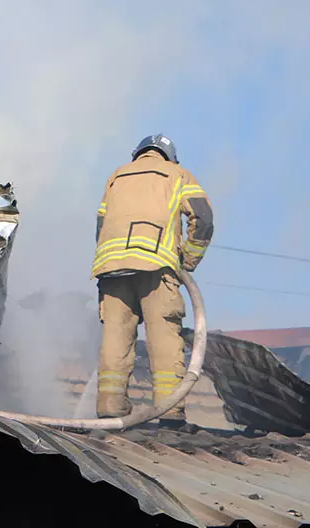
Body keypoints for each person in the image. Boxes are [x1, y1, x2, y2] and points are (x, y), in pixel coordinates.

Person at [93, 134, 214, 430]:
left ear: (138, 153)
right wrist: (187, 261)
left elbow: (101, 224)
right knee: (164, 336)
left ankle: (110, 408)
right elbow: (204, 218)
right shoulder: (178, 174)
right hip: (157, 266)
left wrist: (114, 258)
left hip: (112, 268)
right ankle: (170, 412)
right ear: (169, 156)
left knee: (115, 336)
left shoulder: (116, 176)